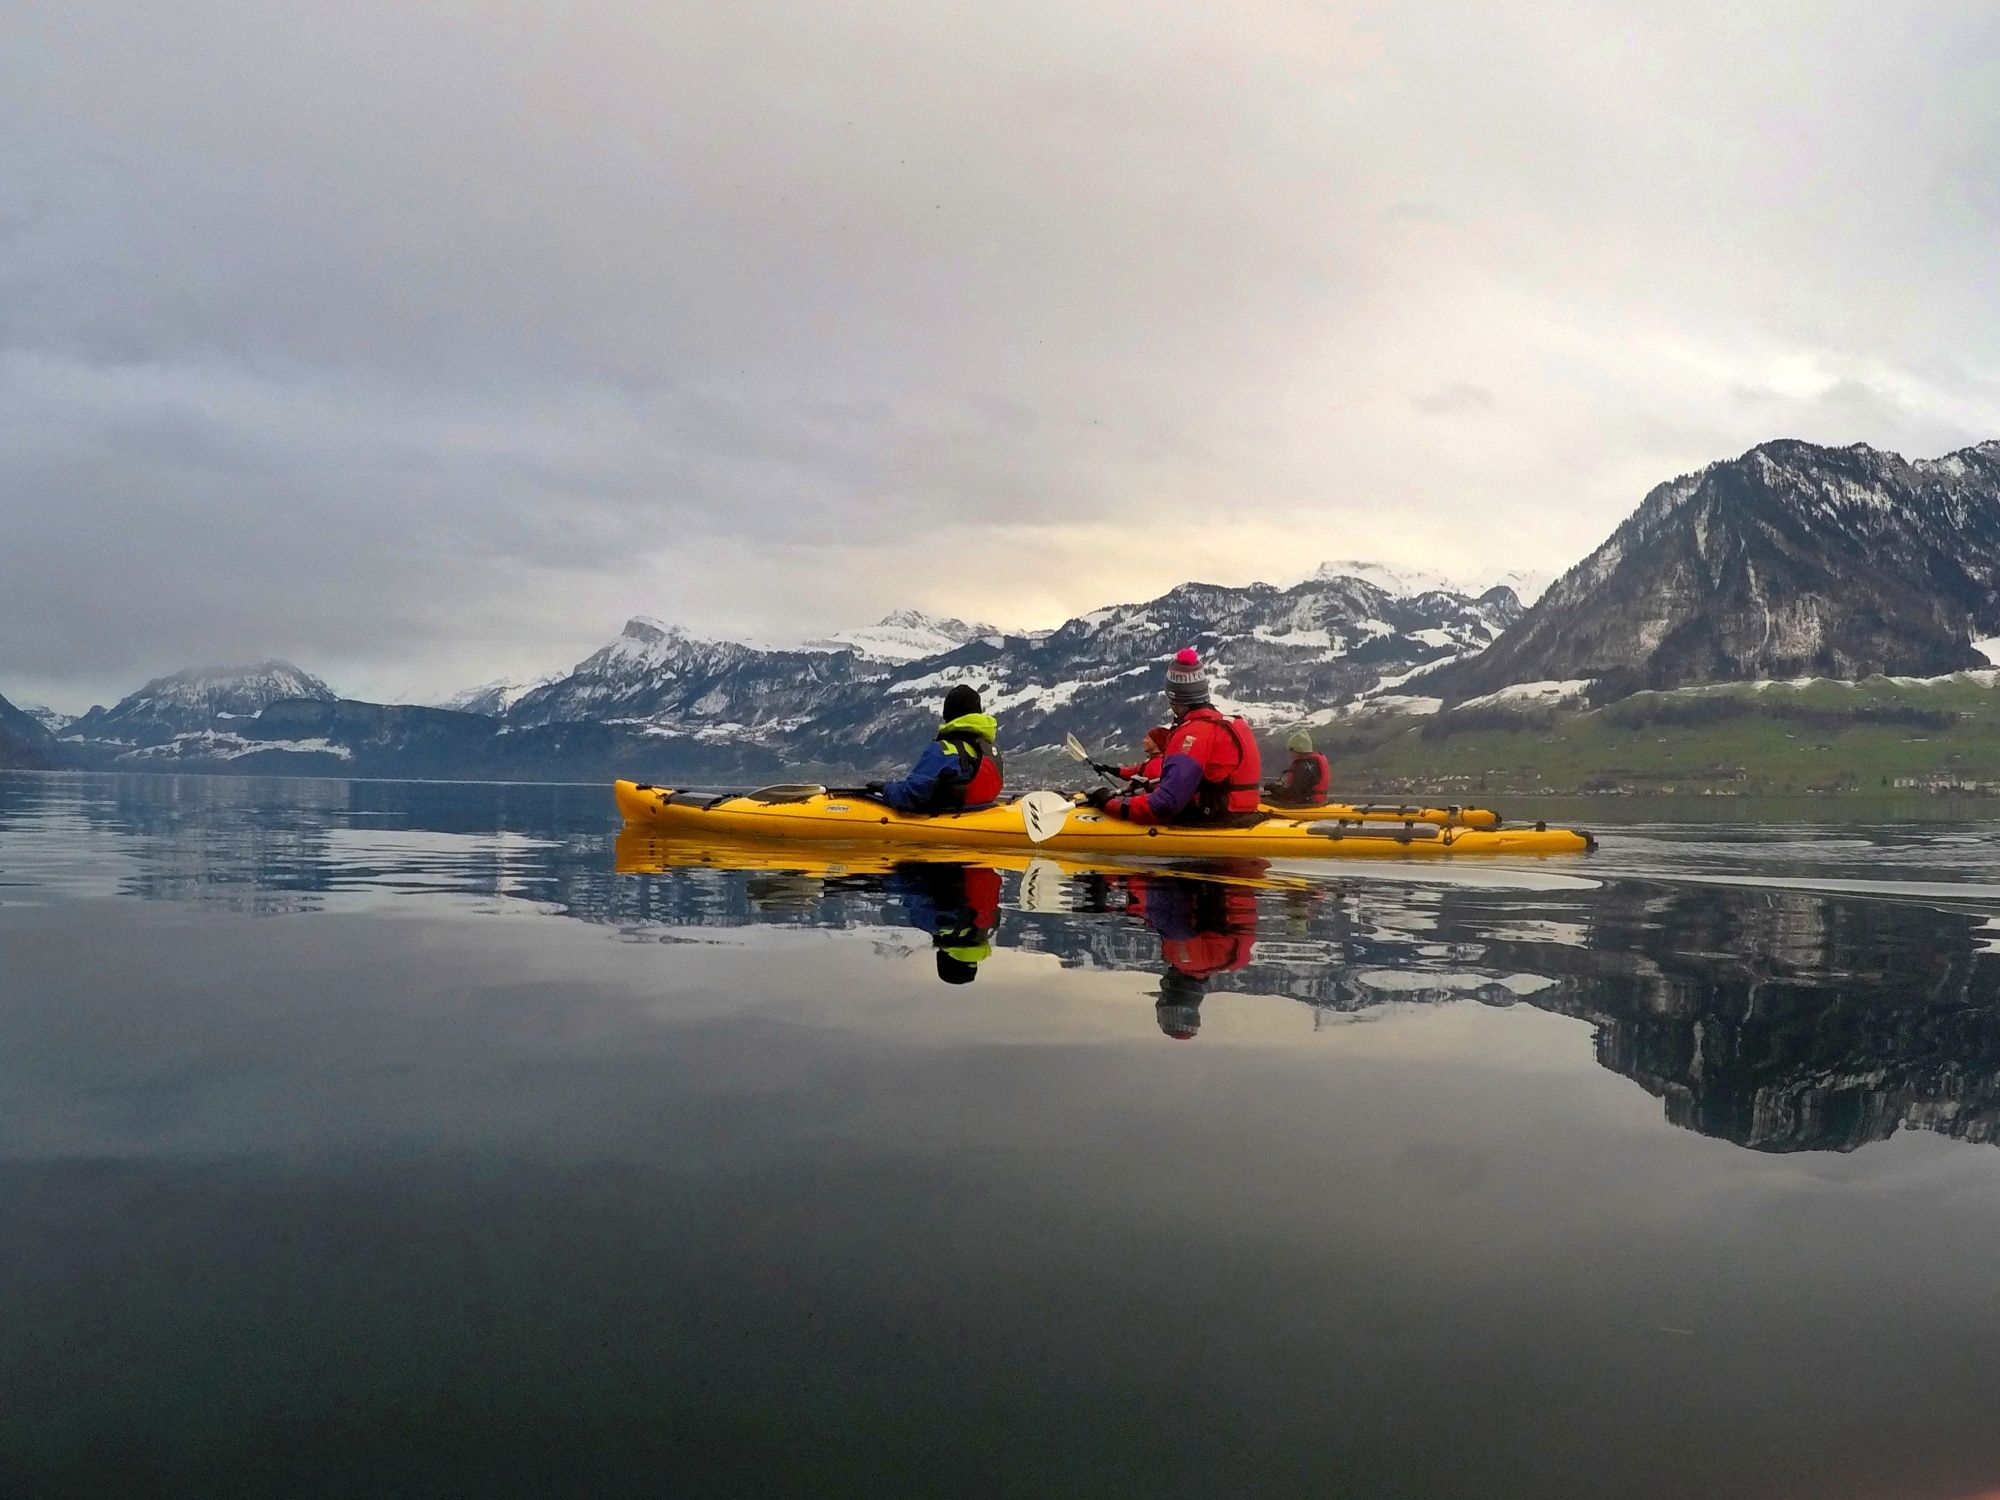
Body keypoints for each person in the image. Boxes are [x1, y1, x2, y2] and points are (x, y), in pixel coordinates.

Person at [1082, 649, 1261, 825]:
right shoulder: (1234, 724)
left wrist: (1108, 803)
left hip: (1216, 817)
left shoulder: (1192, 733)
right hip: (1242, 812)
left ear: (1173, 697)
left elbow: (1164, 805)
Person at [869, 684, 1003, 813]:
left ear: (948, 715)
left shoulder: (942, 750)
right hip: (980, 814)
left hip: (946, 821)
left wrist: (885, 788)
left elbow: (908, 796)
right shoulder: (987, 750)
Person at [1267, 728, 1331, 807]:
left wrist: (1272, 787)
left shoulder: (1303, 768)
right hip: (1316, 800)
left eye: (1291, 751)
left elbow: (1291, 794)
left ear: (1298, 751)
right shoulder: (1313, 763)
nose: (1290, 754)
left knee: (1262, 801)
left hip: (1305, 803)